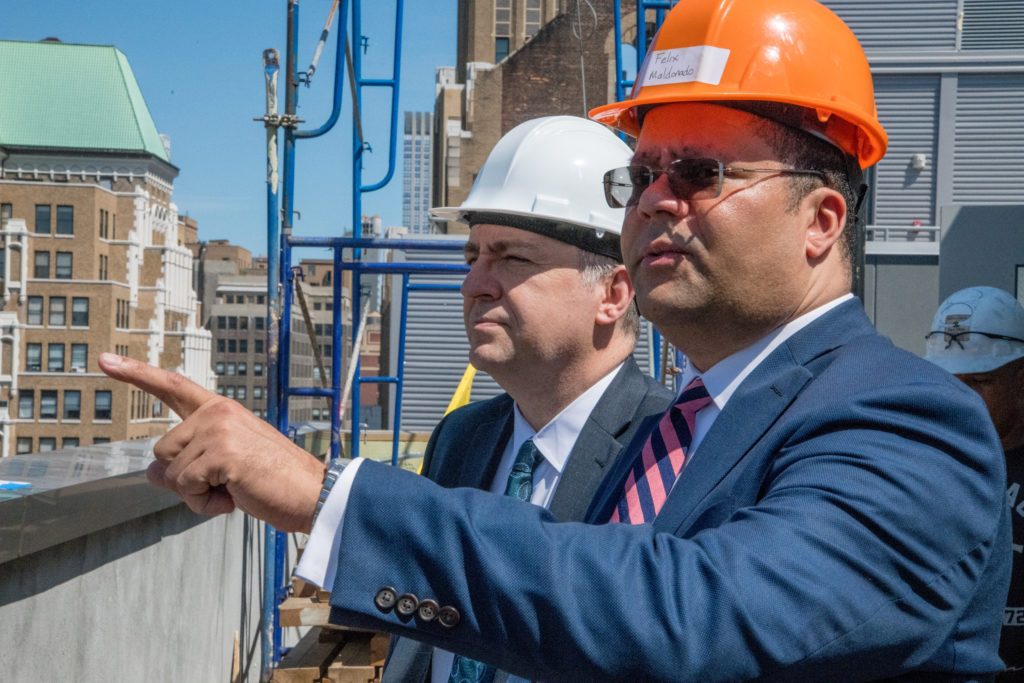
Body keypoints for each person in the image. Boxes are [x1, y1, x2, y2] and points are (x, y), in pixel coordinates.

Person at [99, 0, 1011, 679]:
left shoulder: (908, 419)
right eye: (646, 171)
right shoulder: (682, 431)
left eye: (699, 172)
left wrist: (330, 497)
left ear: (821, 219)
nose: (656, 197)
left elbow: (696, 616)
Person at [382, 116, 673, 682]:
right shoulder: (461, 439)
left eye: (512, 258)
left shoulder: (668, 453)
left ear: (613, 293)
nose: (474, 284)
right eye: (473, 258)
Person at [923, 286, 1024, 676]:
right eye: (950, 380)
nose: (959, 398)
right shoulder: (923, 460)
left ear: (1020, 377)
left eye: (979, 382)